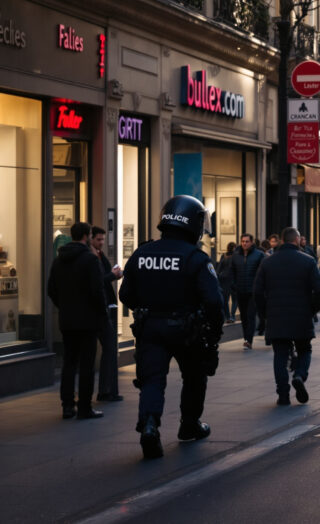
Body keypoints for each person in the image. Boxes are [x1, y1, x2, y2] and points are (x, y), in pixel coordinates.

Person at [119, 196, 223, 459]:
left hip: (150, 328)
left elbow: (126, 295)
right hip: (188, 329)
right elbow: (214, 301)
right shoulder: (196, 258)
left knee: (152, 380)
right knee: (194, 377)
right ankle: (189, 426)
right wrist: (213, 333)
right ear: (195, 225)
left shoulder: (142, 253)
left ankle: (150, 426)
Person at [253, 228, 320, 406]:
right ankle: (299, 375)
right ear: (297, 239)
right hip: (301, 314)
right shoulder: (308, 261)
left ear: (282, 240)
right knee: (304, 349)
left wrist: (264, 314)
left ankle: (283, 395)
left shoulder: (268, 262)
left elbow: (257, 291)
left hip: (276, 315)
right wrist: (312, 309)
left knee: (280, 355)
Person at [48, 221, 108, 420]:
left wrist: (64, 306)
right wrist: (102, 315)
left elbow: (51, 290)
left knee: (69, 362)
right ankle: (84, 406)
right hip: (88, 321)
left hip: (67, 320)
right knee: (86, 365)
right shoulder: (90, 260)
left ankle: (67, 406)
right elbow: (97, 291)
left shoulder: (58, 260)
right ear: (86, 236)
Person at [91, 226, 124, 402]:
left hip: (104, 307)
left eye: (103, 239)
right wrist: (112, 276)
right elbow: (97, 282)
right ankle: (105, 391)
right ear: (90, 239)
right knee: (108, 348)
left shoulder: (99, 256)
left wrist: (114, 275)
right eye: (98, 240)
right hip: (97, 309)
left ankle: (107, 390)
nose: (101, 243)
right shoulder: (90, 258)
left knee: (110, 349)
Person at [230, 233, 265, 350]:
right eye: (243, 241)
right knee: (244, 317)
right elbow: (232, 272)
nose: (244, 243)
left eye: (247, 241)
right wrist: (233, 286)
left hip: (253, 292)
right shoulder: (235, 256)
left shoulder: (259, 255)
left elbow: (262, 273)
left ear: (252, 242)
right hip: (240, 291)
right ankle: (246, 338)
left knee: (250, 315)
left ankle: (249, 340)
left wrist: (259, 287)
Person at [217, 242, 237, 323]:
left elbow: (219, 268)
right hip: (234, 279)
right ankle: (232, 316)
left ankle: (228, 316)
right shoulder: (236, 256)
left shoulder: (224, 255)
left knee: (225, 299)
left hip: (224, 280)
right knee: (235, 299)